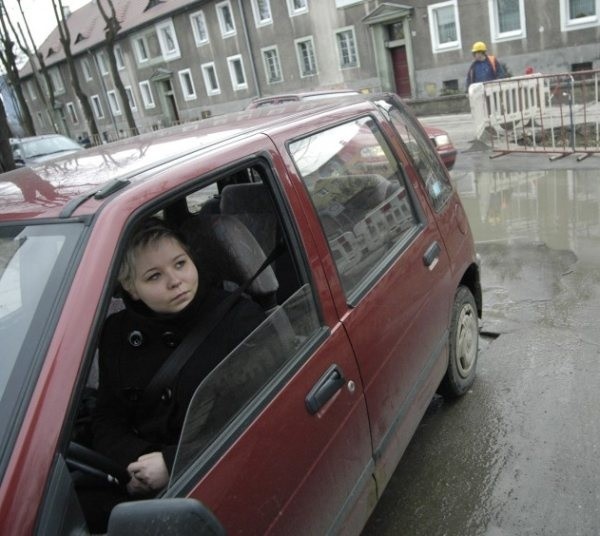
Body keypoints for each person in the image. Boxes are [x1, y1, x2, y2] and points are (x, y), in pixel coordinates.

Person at [82, 217, 266, 531]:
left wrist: (173, 462)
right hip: (137, 477)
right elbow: (107, 418)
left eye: (180, 264)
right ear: (130, 288)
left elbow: (255, 416)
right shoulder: (115, 333)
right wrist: (137, 466)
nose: (175, 281)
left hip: (214, 475)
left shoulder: (239, 319)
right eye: (154, 276)